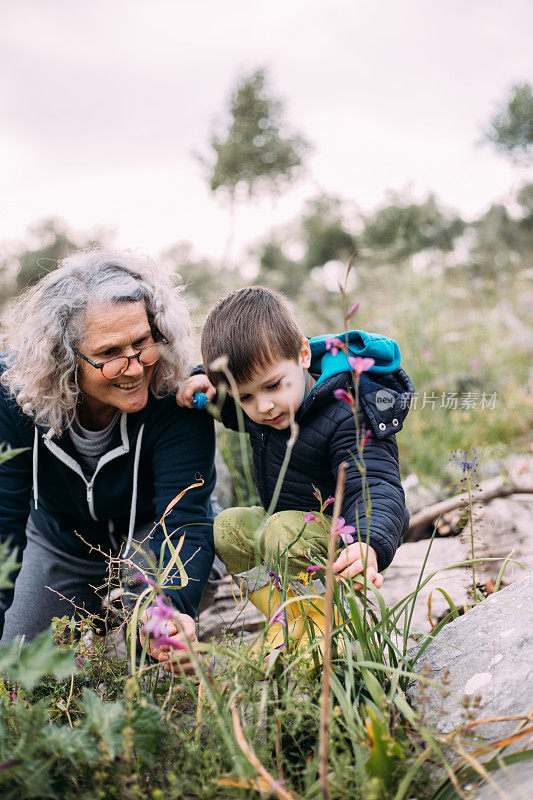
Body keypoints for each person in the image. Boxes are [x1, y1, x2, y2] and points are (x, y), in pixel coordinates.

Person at [0, 250, 216, 671]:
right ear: (63, 358)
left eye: (142, 342)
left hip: (153, 536)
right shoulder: (12, 395)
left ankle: (206, 594)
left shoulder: (179, 394)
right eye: (110, 352)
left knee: (147, 660)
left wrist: (166, 615)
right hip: (59, 538)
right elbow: (3, 523)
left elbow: (185, 520)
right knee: (18, 666)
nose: (135, 367)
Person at [177, 286, 413, 649]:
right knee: (228, 527)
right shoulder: (266, 406)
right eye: (246, 397)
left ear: (303, 354)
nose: (265, 407)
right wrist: (204, 381)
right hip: (284, 534)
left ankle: (325, 631)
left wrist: (369, 543)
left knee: (284, 531)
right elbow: (232, 404)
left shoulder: (345, 411)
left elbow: (377, 484)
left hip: (339, 545)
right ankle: (285, 620)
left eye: (273, 386)